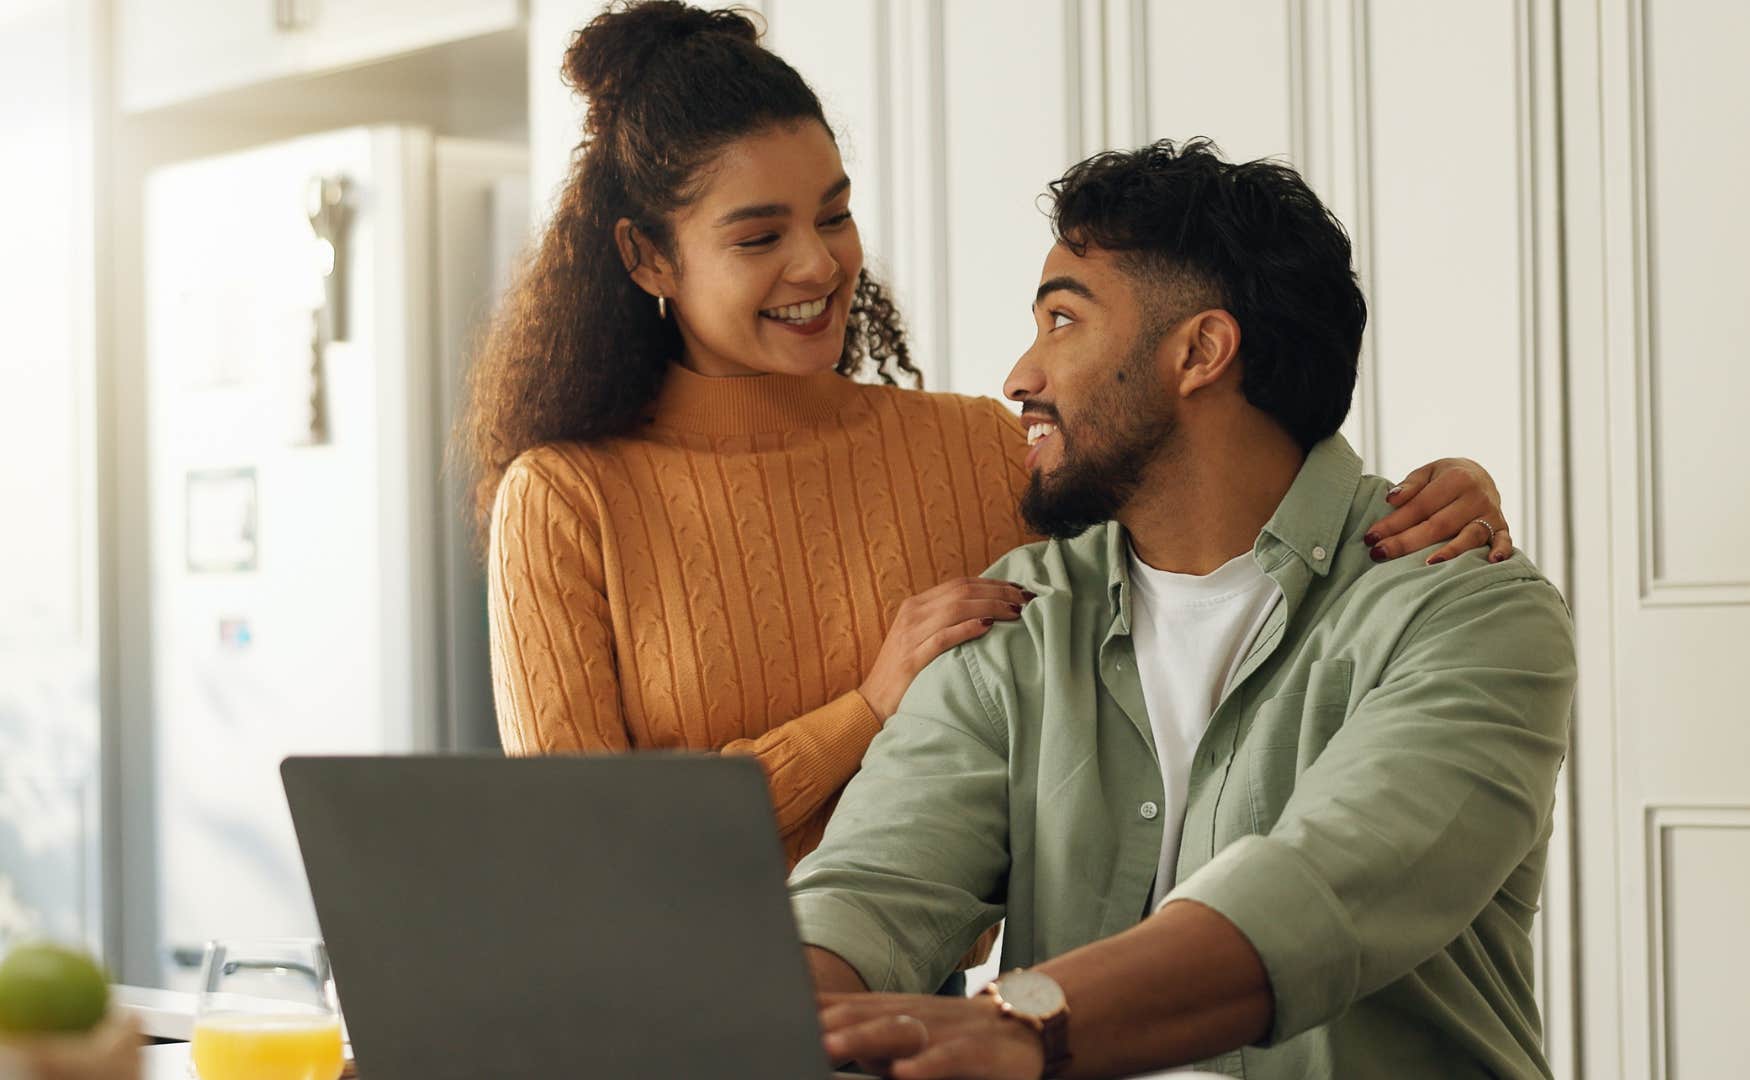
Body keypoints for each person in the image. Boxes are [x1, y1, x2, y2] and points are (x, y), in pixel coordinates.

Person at [462, 1, 1513, 874]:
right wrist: (864, 709)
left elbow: (1218, 520)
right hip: (652, 1030)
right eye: (758, 236)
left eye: (833, 215)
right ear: (648, 258)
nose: (820, 267)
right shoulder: (567, 498)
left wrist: (1427, 496)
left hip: (924, 1024)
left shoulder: (975, 449)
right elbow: (577, 855)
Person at [791, 140, 1576, 1080]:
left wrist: (1027, 1021)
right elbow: (873, 890)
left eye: (1062, 322)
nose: (1020, 376)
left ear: (1199, 351)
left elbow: (1321, 893)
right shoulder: (1018, 614)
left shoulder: (1469, 613)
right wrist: (782, 1014)